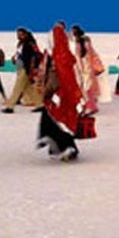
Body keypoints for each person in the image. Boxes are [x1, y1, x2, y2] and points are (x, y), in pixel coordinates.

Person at [37, 23, 86, 161]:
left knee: (55, 122)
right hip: (67, 97)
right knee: (61, 123)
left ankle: (64, 148)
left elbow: (54, 80)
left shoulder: (57, 59)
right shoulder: (67, 56)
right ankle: (59, 148)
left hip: (57, 98)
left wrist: (46, 94)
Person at [3, 28, 44, 112]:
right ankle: (40, 105)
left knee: (17, 88)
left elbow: (32, 58)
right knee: (28, 89)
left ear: (25, 34)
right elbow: (20, 54)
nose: (19, 36)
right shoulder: (21, 43)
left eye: (21, 34)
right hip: (21, 68)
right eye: (18, 34)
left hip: (26, 69)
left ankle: (10, 107)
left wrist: (30, 70)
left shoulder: (29, 44)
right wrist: (15, 58)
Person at [72, 25, 109, 114]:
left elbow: (81, 57)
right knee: (88, 87)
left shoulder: (80, 43)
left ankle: (91, 106)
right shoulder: (85, 42)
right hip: (86, 68)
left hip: (84, 69)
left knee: (86, 87)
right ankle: (89, 105)